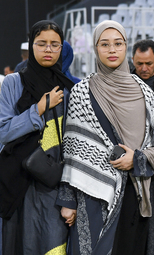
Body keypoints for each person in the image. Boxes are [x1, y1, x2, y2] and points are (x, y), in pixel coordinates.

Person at [57, 20, 154, 255]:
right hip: (95, 195)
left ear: (125, 47)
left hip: (140, 193)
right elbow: (72, 151)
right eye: (105, 44)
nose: (112, 50)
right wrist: (68, 201)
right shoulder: (82, 92)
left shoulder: (144, 92)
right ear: (95, 48)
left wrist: (138, 158)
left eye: (118, 44)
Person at [0, 20, 74, 254]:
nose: (48, 49)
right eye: (41, 43)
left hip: (53, 186)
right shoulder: (14, 83)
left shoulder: (71, 89)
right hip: (16, 184)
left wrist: (70, 198)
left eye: (55, 44)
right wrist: (38, 110)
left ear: (62, 49)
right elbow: (3, 131)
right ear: (32, 46)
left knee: (53, 245)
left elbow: (74, 146)